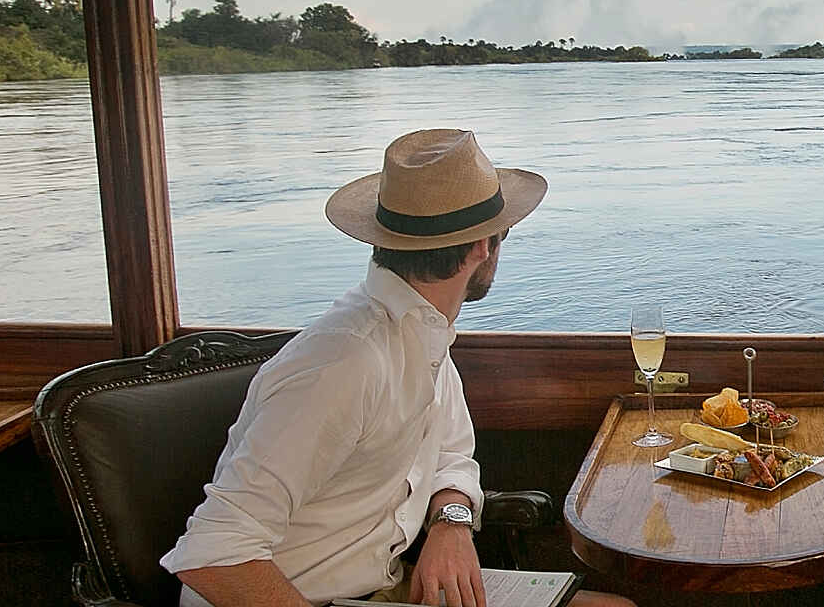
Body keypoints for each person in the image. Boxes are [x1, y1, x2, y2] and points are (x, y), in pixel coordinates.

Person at [162, 129, 633, 607]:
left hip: (382, 584)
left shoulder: (420, 331)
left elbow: (450, 453)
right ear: (482, 247)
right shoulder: (345, 362)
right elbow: (213, 553)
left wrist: (450, 524)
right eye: (504, 232)